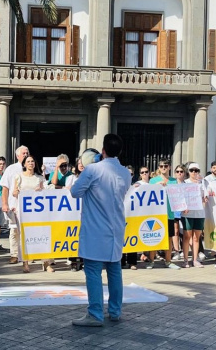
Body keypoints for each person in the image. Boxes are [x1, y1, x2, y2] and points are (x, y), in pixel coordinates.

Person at [70, 134, 130, 327]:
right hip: (116, 227)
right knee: (114, 269)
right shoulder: (125, 172)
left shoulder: (93, 170)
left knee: (93, 271)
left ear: (103, 150)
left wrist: (89, 169)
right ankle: (115, 311)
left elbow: (74, 192)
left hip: (96, 228)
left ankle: (95, 314)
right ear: (119, 151)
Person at [12, 155, 48, 272]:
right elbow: (14, 192)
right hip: (23, 211)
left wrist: (40, 191)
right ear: (24, 164)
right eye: (28, 161)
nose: (31, 163)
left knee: (42, 234)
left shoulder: (39, 178)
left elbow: (45, 193)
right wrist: (18, 192)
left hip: (37, 211)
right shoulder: (18, 177)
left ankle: (46, 263)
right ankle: (25, 263)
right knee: (23, 236)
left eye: (32, 161)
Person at [148, 159, 181, 270]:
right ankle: (151, 261)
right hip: (156, 214)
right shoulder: (153, 181)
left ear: (169, 167)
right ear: (158, 167)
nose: (163, 168)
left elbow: (179, 196)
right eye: (161, 166)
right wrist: (157, 185)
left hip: (169, 214)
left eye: (165, 166)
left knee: (169, 238)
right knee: (154, 237)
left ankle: (168, 261)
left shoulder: (174, 181)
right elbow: (147, 194)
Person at [1, 145, 30, 264]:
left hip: (29, 206)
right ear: (17, 156)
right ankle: (14, 255)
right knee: (14, 231)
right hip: (14, 204)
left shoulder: (32, 168)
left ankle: (28, 254)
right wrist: (4, 203)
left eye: (27, 153)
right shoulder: (11, 169)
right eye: (24, 153)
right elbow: (5, 188)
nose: (26, 155)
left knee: (28, 230)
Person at [183, 162, 207, 268]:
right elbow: (180, 197)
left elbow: (205, 197)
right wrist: (184, 207)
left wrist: (204, 198)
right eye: (192, 170)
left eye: (196, 170)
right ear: (188, 172)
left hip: (199, 213)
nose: (194, 172)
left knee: (196, 238)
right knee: (187, 237)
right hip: (188, 213)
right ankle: (185, 260)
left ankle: (195, 259)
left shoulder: (203, 183)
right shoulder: (185, 183)